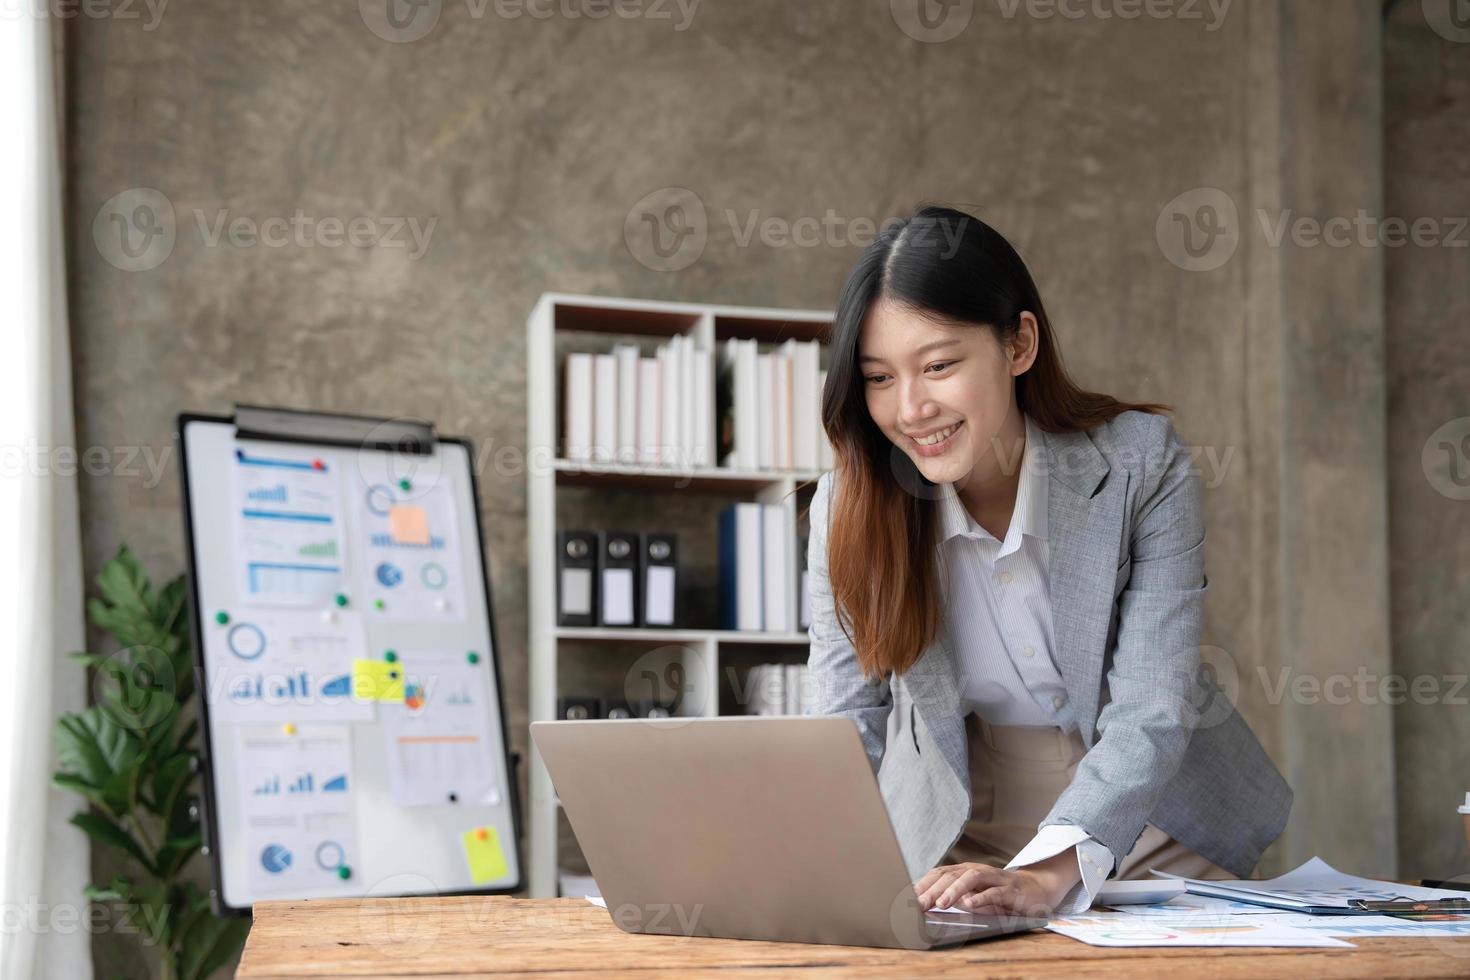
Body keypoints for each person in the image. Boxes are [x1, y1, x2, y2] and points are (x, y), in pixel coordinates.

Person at [805, 204, 1290, 919]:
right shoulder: (849, 501)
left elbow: (1153, 704)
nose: (910, 409)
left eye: (938, 365)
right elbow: (845, 718)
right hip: (954, 817)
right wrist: (809, 868)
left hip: (1148, 812)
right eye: (878, 378)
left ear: (1019, 344)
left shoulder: (1140, 464)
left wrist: (1050, 870)